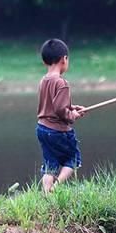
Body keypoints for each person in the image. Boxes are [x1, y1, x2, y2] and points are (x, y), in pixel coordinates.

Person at [36, 39, 86, 193]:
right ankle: (56, 187)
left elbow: (52, 104)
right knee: (73, 159)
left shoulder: (43, 81)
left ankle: (46, 194)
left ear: (45, 61)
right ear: (64, 59)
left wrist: (72, 107)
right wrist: (73, 115)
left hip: (42, 129)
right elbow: (59, 109)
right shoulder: (62, 83)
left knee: (50, 163)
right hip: (58, 131)